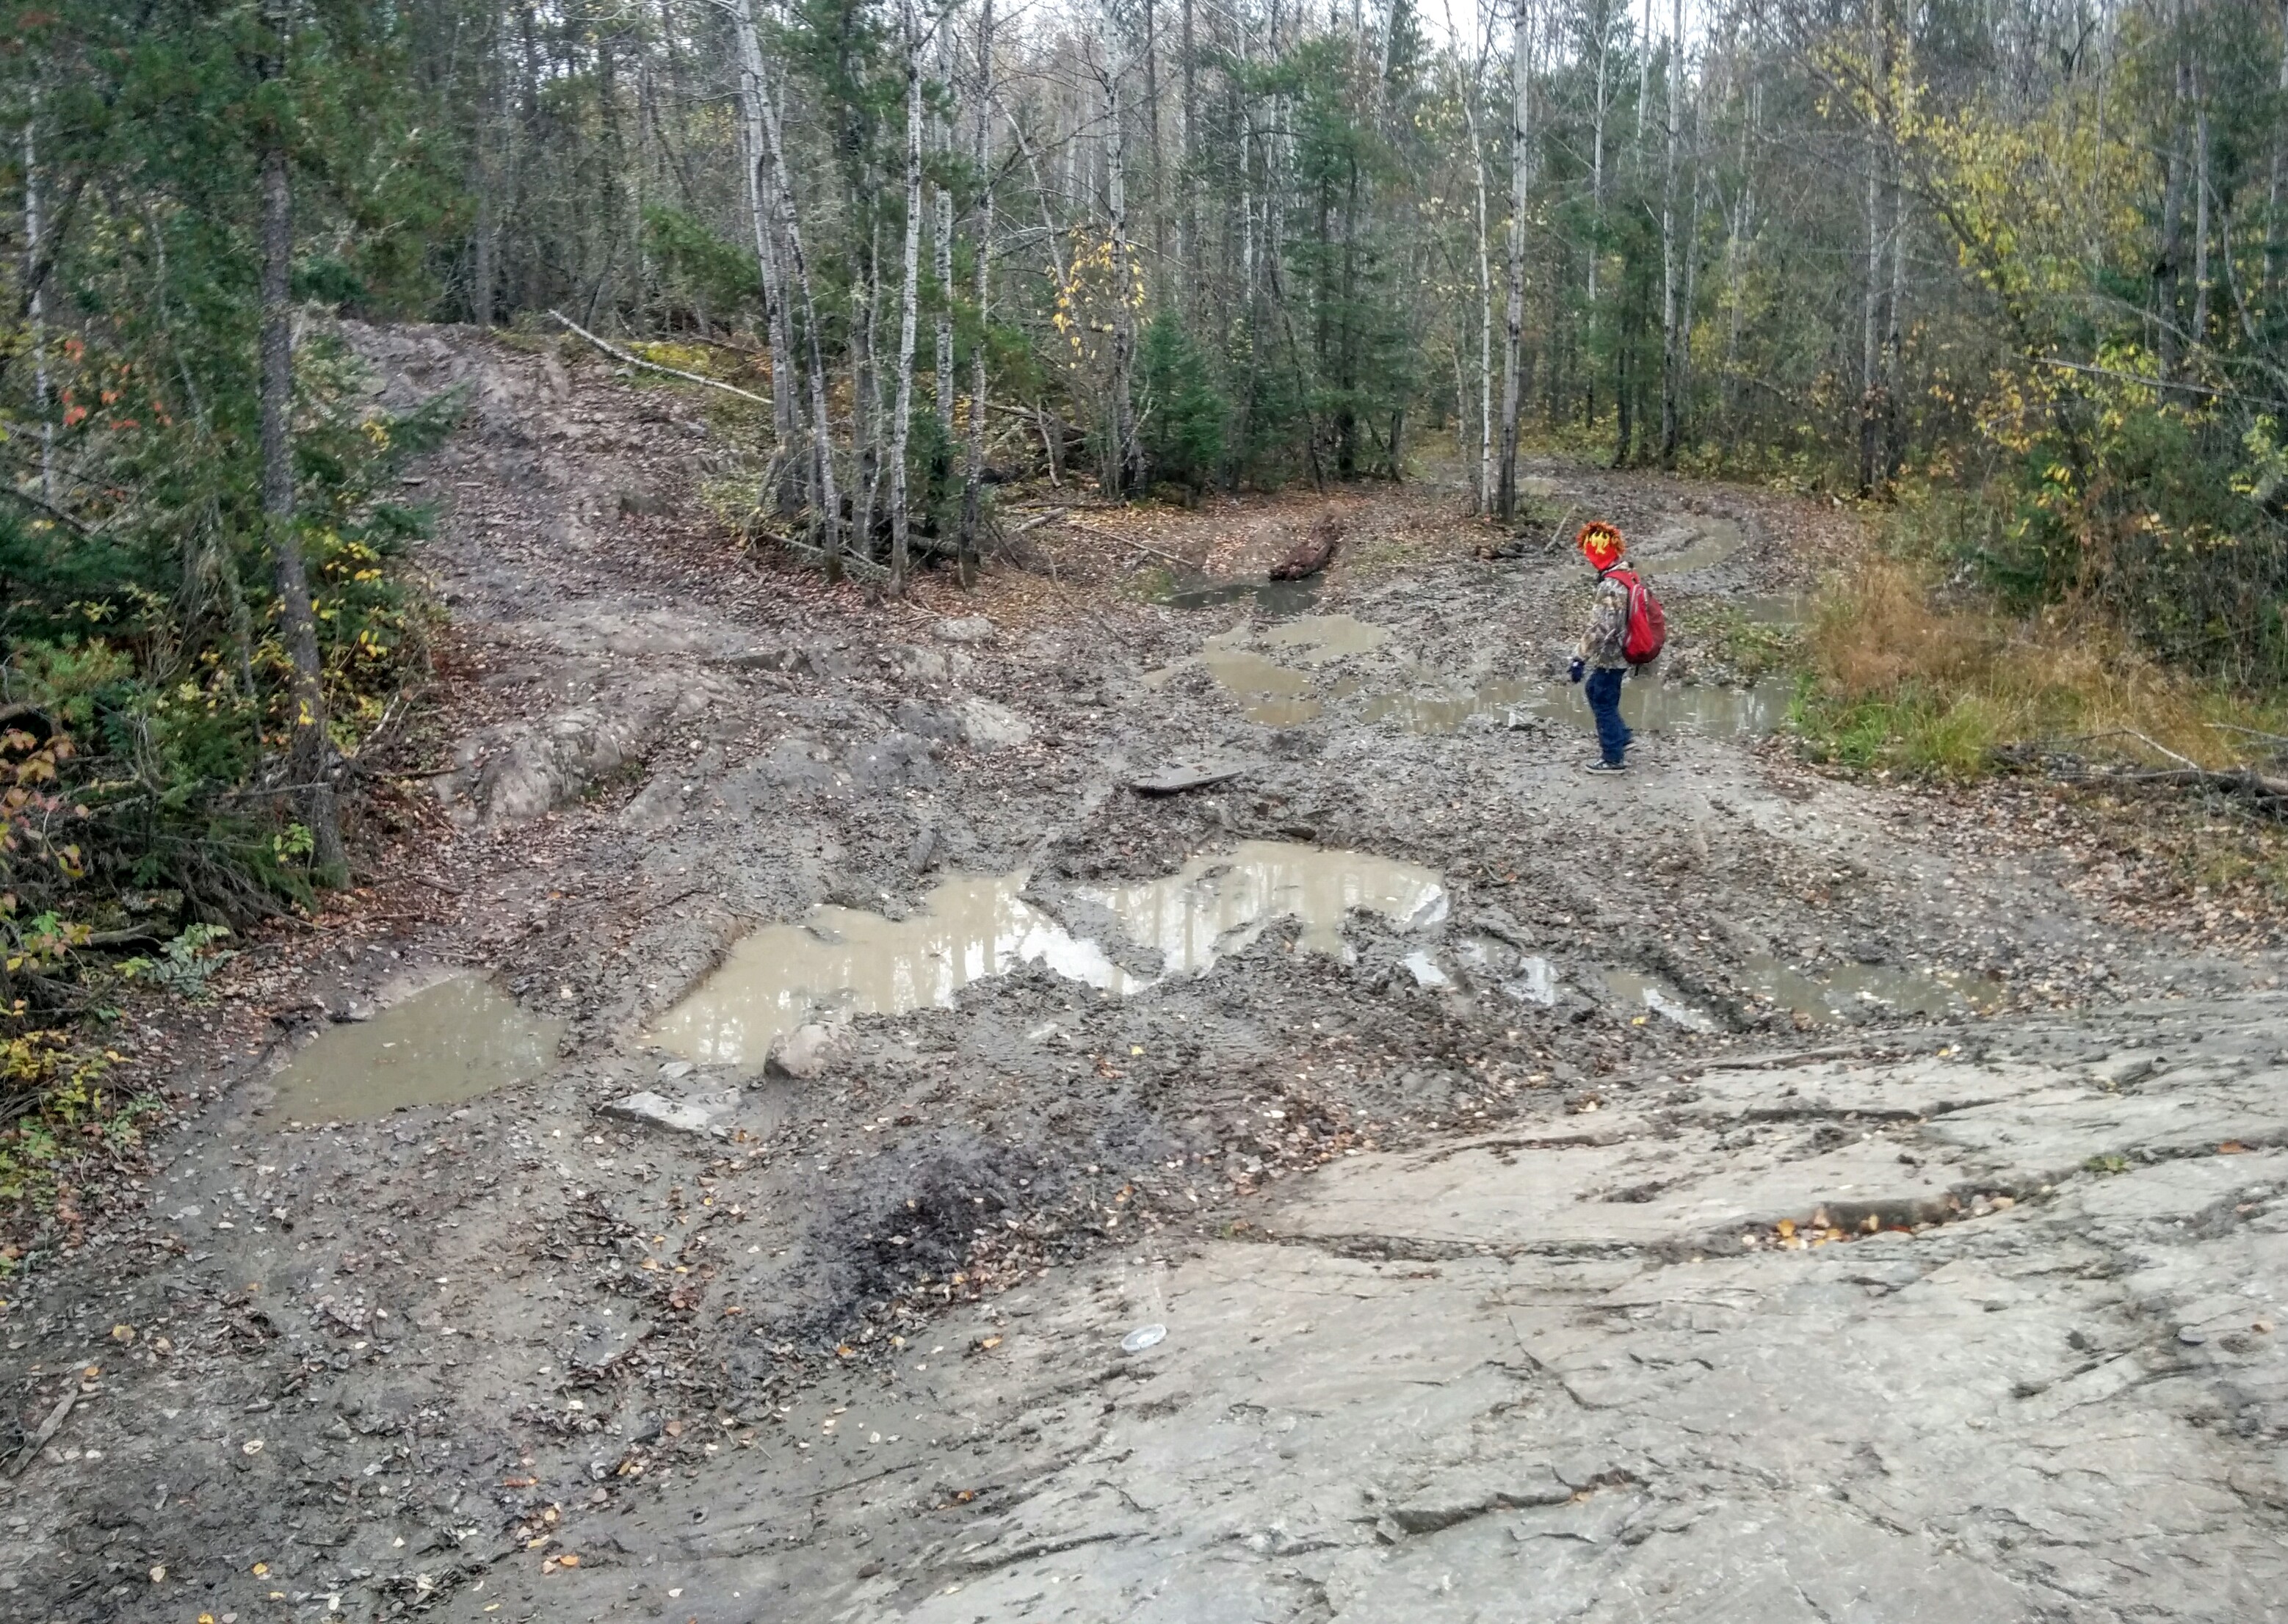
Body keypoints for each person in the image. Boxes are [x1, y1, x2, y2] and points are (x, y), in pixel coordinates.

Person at [1566, 521, 1634, 772]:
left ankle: (1613, 757)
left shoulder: (1610, 585)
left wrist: (1579, 657)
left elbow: (1600, 628)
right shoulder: (1626, 574)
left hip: (1613, 654)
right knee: (1598, 690)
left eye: (1589, 551)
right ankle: (1622, 736)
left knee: (1602, 698)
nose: (1587, 556)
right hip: (1626, 648)